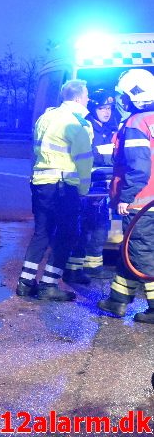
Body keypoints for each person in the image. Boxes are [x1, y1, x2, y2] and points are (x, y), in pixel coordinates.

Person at [16, 79, 93, 301]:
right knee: (67, 234)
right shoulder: (74, 124)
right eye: (86, 95)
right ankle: (49, 284)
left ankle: (25, 282)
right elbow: (84, 160)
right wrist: (83, 190)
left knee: (42, 232)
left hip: (40, 182)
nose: (88, 99)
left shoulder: (45, 117)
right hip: (63, 186)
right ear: (78, 98)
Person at [98, 69, 154, 323]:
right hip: (150, 201)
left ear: (134, 96)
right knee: (129, 250)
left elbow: (139, 168)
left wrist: (126, 197)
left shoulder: (135, 124)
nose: (120, 102)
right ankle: (118, 300)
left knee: (141, 252)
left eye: (123, 96)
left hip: (141, 201)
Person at [64, 90, 117, 283]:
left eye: (109, 108)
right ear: (93, 108)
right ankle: (73, 268)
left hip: (103, 184)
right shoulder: (87, 128)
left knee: (100, 225)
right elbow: (86, 155)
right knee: (84, 227)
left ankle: (93, 266)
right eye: (102, 108)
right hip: (89, 184)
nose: (106, 112)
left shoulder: (109, 129)